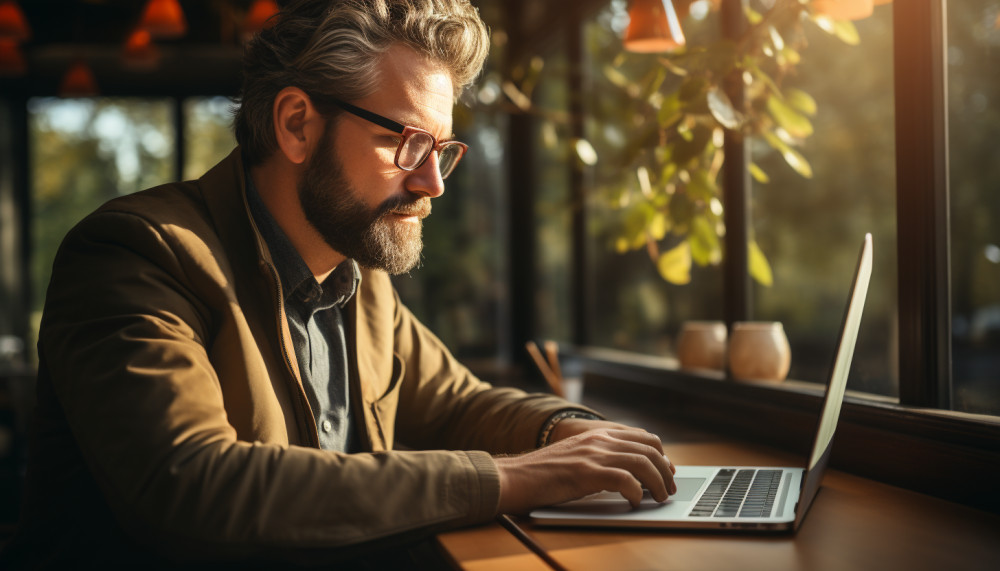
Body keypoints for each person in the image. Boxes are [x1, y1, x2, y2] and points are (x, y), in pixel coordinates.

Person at [1, 0, 675, 567]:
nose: (432, 183)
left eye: (441, 150)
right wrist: (516, 477)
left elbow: (454, 403)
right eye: (407, 142)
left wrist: (575, 434)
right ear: (296, 124)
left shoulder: (359, 275)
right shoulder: (137, 256)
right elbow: (193, 484)